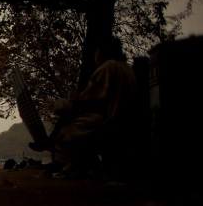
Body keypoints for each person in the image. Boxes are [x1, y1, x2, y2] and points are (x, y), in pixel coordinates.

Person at [30, 36, 137, 178]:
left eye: (96, 51)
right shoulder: (126, 68)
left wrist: (73, 100)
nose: (95, 55)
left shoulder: (109, 67)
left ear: (102, 52)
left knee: (65, 131)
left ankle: (71, 165)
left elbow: (92, 99)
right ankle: (80, 162)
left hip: (107, 118)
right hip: (120, 118)